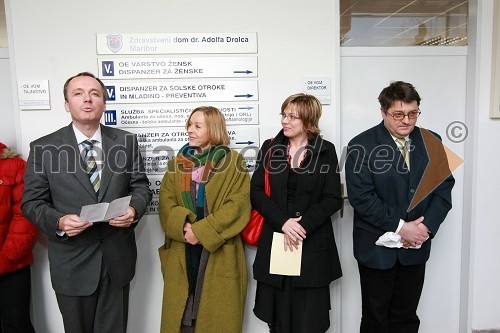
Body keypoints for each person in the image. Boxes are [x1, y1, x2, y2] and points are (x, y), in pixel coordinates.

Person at [21, 72, 152, 333]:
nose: (87, 99)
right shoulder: (43, 147)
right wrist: (58, 221)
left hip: (117, 260)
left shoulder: (126, 141)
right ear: (67, 104)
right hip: (72, 262)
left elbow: (141, 186)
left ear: (104, 102)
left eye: (95, 93)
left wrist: (134, 209)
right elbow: (31, 202)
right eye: (78, 93)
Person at [345, 81, 455, 333]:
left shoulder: (432, 141)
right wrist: (401, 227)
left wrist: (424, 228)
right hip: (376, 248)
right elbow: (362, 197)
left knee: (406, 317)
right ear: (383, 112)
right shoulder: (360, 145)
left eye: (413, 113)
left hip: (415, 246)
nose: (407, 120)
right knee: (375, 318)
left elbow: (444, 188)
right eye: (399, 114)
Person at [251, 93, 343, 333]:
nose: (285, 120)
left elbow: (333, 198)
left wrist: (302, 226)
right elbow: (257, 191)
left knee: (310, 320)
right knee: (278, 321)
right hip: (277, 242)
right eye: (284, 114)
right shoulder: (270, 147)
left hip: (311, 246)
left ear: (309, 120)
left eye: (293, 116)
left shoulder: (326, 151)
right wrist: (284, 222)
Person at [158, 106, 251, 333]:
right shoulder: (177, 163)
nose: (190, 130)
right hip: (183, 247)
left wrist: (201, 232)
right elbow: (165, 202)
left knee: (216, 318)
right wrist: (184, 227)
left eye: (197, 126)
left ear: (214, 129)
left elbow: (238, 206)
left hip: (217, 248)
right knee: (182, 317)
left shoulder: (233, 162)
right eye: (189, 124)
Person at [0, 142, 38, 333]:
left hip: (11, 264)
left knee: (17, 325)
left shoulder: (14, 165)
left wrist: (5, 259)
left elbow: (26, 215)